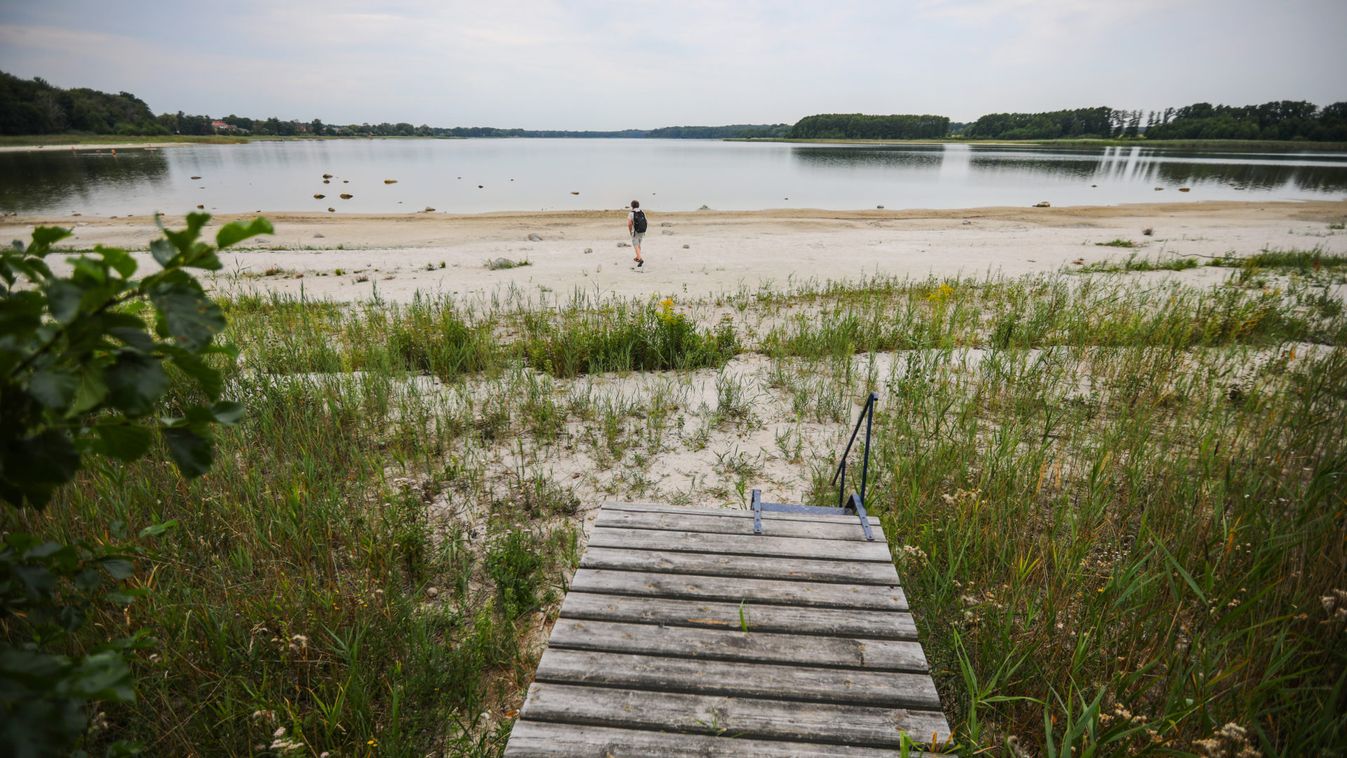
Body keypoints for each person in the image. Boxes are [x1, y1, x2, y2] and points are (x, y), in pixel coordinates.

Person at [627, 200, 647, 267]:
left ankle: (640, 259)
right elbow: (645, 221)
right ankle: (637, 257)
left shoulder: (631, 213)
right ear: (638, 205)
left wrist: (630, 231)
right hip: (642, 231)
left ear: (632, 206)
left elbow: (629, 224)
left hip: (635, 231)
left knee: (635, 245)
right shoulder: (642, 212)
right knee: (638, 244)